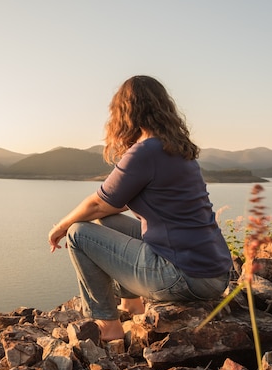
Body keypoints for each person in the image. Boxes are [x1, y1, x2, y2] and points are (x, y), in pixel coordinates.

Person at [48, 75, 232, 342]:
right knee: (108, 221)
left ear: (125, 112)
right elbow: (114, 205)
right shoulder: (178, 149)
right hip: (213, 273)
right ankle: (132, 305)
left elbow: (99, 202)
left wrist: (60, 227)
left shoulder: (145, 151)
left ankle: (107, 324)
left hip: (183, 276)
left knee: (78, 233)